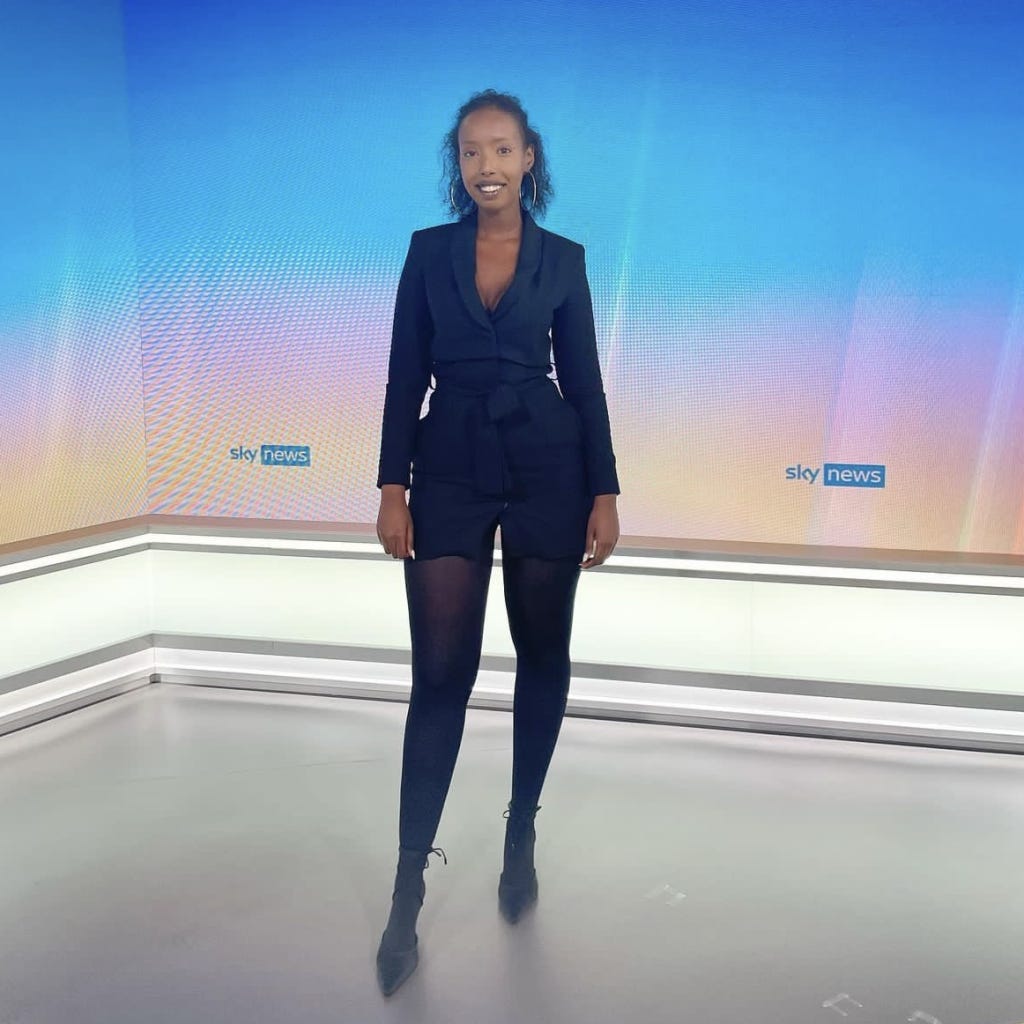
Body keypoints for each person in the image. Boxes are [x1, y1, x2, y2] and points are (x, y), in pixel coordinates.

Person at [373, 88, 620, 996]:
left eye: (502, 150)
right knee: (440, 677)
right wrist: (391, 486)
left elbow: (584, 384)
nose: (487, 165)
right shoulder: (427, 253)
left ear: (528, 159)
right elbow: (404, 373)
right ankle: (406, 890)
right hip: (447, 465)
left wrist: (605, 490)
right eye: (473, 151)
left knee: (542, 656)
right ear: (460, 162)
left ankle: (520, 832)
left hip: (550, 464)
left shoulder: (565, 260)